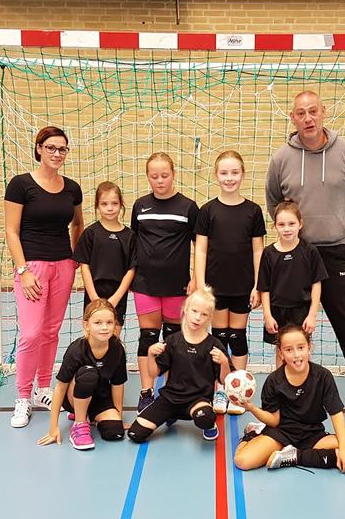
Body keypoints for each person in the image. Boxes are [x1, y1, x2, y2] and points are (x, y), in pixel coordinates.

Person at [266, 91, 345, 421]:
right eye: (301, 113)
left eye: (313, 111)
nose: (308, 118)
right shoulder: (281, 158)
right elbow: (275, 203)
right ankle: (288, 392)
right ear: (293, 117)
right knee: (293, 329)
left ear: (323, 112)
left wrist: (338, 228)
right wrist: (295, 236)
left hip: (335, 252)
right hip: (296, 255)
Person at [4, 126, 83, 429]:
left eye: (62, 149)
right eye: (51, 147)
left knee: (51, 332)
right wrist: (23, 270)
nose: (57, 153)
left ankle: (43, 390)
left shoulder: (72, 188)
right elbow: (11, 230)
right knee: (30, 334)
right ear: (38, 149)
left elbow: (78, 225)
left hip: (62, 265)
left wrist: (73, 260)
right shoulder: (21, 185)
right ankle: (23, 396)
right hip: (32, 267)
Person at [234, 324, 345, 472]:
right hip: (282, 432)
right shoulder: (274, 381)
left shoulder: (323, 376)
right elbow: (274, 420)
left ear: (309, 348)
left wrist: (344, 448)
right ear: (281, 353)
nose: (296, 354)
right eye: (289, 350)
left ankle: (294, 456)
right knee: (242, 461)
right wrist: (251, 408)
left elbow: (336, 414)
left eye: (301, 347)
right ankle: (253, 433)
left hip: (312, 435)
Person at [194, 150, 266, 414]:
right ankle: (220, 390)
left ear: (243, 174)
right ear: (216, 175)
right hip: (214, 287)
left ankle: (239, 389)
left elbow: (258, 250)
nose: (229, 178)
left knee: (237, 336)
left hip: (242, 286)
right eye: (224, 173)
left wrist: (258, 285)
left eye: (235, 172)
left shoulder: (253, 211)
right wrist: (201, 285)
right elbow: (200, 250)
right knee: (218, 338)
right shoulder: (208, 210)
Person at [131, 152, 199, 412]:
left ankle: (170, 392)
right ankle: (147, 392)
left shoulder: (188, 207)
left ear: (173, 174)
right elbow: (134, 242)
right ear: (148, 177)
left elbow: (199, 245)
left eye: (165, 175)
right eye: (154, 176)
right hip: (145, 285)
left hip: (178, 287)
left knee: (173, 341)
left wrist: (195, 277)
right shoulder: (140, 206)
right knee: (148, 338)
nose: (160, 181)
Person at [126, 288, 231, 444]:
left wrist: (223, 361)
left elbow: (224, 380)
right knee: (135, 434)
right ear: (185, 310)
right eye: (194, 311)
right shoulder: (173, 341)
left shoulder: (214, 345)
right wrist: (150, 354)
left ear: (209, 318)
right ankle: (171, 415)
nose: (197, 317)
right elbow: (154, 373)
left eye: (204, 314)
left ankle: (209, 424)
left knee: (205, 418)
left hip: (198, 400)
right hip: (170, 399)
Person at [37, 299, 126, 451]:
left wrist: (118, 415)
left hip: (100, 399)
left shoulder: (117, 348)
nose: (104, 327)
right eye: (98, 323)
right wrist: (53, 427)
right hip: (73, 397)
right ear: (87, 325)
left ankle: (89, 415)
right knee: (89, 374)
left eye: (109, 322)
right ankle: (79, 423)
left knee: (114, 432)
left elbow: (118, 384)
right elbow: (59, 388)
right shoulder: (76, 350)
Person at [257, 200, 327, 368]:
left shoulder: (309, 251)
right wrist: (267, 316)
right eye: (281, 224)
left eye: (291, 223)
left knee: (301, 351)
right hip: (277, 311)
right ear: (275, 226)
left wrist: (312, 315)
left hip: (301, 311)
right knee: (282, 351)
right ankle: (281, 389)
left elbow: (316, 284)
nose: (286, 228)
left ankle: (302, 389)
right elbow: (264, 288)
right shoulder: (268, 254)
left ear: (300, 224)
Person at [74, 181, 137, 335]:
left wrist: (117, 297)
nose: (110, 208)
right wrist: (94, 297)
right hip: (94, 292)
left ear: (121, 204)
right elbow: (85, 266)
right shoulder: (90, 234)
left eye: (114, 203)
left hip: (117, 293)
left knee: (113, 338)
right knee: (92, 339)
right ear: (97, 206)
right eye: (104, 204)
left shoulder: (130, 236)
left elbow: (131, 269)